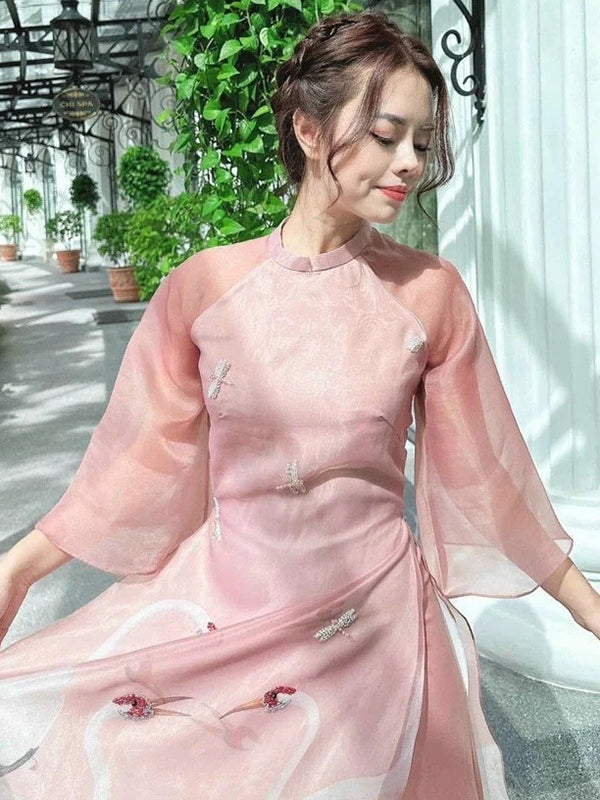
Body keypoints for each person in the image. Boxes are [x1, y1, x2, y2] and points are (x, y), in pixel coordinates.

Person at [0, 9, 598, 799]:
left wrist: (589, 610)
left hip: (374, 628)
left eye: (422, 142)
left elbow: (488, 477)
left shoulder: (431, 293)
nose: (410, 162)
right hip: (226, 613)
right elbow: (133, 467)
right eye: (386, 136)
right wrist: (17, 570)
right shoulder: (203, 288)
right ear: (310, 131)